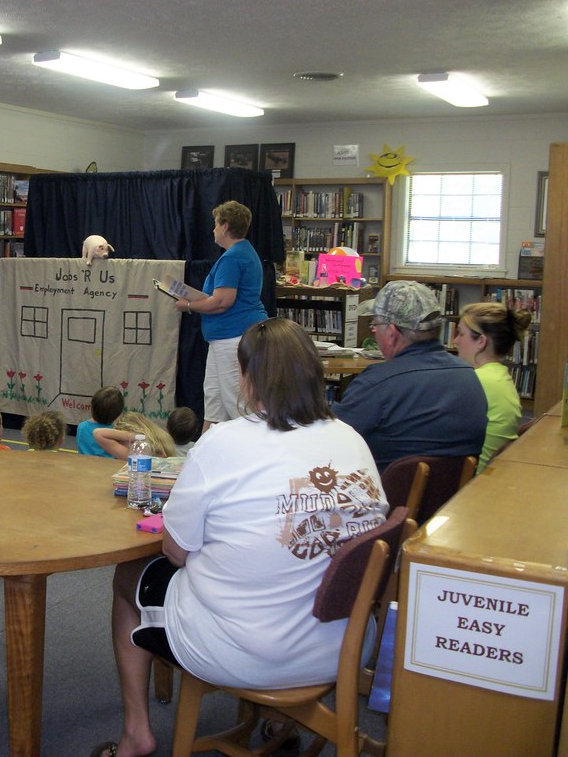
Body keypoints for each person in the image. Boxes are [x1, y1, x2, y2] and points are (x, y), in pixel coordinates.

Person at [94, 318, 388, 757]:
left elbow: (176, 551)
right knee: (295, 566)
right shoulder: (352, 439)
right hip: (344, 643)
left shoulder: (223, 442)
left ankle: (137, 732)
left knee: (129, 576)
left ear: (248, 379)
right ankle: (279, 720)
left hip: (244, 651)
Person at [333, 281, 487, 472]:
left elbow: (331, 441)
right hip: (456, 489)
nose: (374, 332)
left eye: (375, 325)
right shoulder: (469, 376)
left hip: (384, 489)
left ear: (392, 333)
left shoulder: (376, 384)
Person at [174, 201, 268, 432]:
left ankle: (251, 448)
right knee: (214, 400)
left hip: (232, 337)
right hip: (226, 338)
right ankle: (205, 447)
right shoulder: (243, 252)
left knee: (236, 402)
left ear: (225, 226)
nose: (213, 229)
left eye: (216, 224)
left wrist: (188, 305)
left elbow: (222, 302)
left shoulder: (232, 258)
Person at [455, 302, 533, 471]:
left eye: (461, 334)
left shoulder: (475, 381)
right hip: (491, 473)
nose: (455, 341)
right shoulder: (500, 377)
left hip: (470, 480)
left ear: (481, 341)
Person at [93, 411, 176, 460]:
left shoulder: (137, 453)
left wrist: (133, 436)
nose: (120, 443)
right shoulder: (163, 439)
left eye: (120, 440)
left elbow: (98, 434)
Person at [76, 385, 125, 458]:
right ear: (118, 414)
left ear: (92, 407)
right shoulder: (116, 433)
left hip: (83, 464)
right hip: (108, 465)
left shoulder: (81, 427)